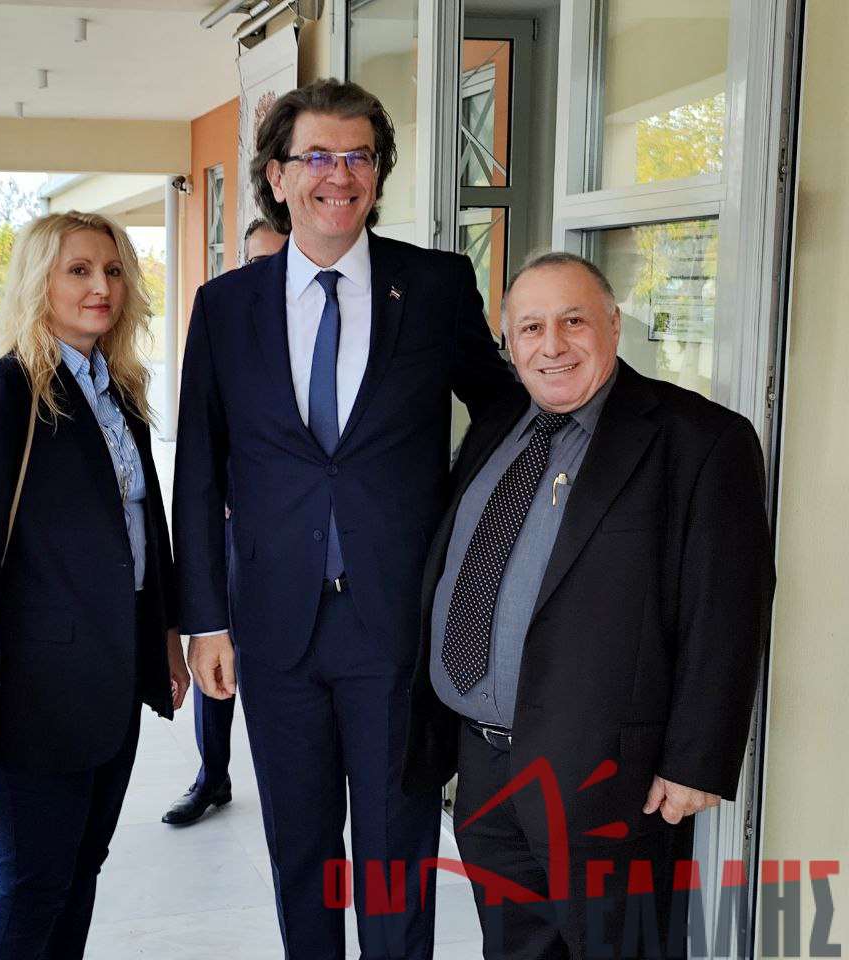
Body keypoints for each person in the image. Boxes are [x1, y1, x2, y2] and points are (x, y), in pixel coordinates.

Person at [174, 78, 516, 959]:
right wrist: (204, 620)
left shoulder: (433, 286)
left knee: (397, 850)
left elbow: (504, 409)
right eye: (317, 156)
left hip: (396, 624)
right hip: (274, 626)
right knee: (301, 847)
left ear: (378, 172)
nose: (340, 175)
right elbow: (199, 469)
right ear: (278, 177)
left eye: (359, 156)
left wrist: (456, 518)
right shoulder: (226, 307)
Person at [406, 251, 775, 958]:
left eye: (573, 321)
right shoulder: (497, 425)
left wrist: (696, 761)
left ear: (613, 324)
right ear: (508, 343)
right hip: (485, 771)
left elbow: (729, 610)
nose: (552, 345)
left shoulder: (700, 439)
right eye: (531, 328)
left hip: (610, 782)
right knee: (516, 948)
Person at [0, 210, 189, 960]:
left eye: (113, 271)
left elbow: (144, 529)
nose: (102, 287)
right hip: (31, 692)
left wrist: (166, 634)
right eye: (79, 271)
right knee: (32, 883)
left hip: (109, 681)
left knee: (81, 868)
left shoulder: (119, 392)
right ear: (38, 282)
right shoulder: (4, 392)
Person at [163, 216, 288, 827]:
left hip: (295, 540)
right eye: (256, 261)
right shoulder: (227, 324)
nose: (268, 272)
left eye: (279, 259)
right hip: (233, 530)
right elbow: (201, 446)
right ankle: (212, 775)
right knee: (217, 654)